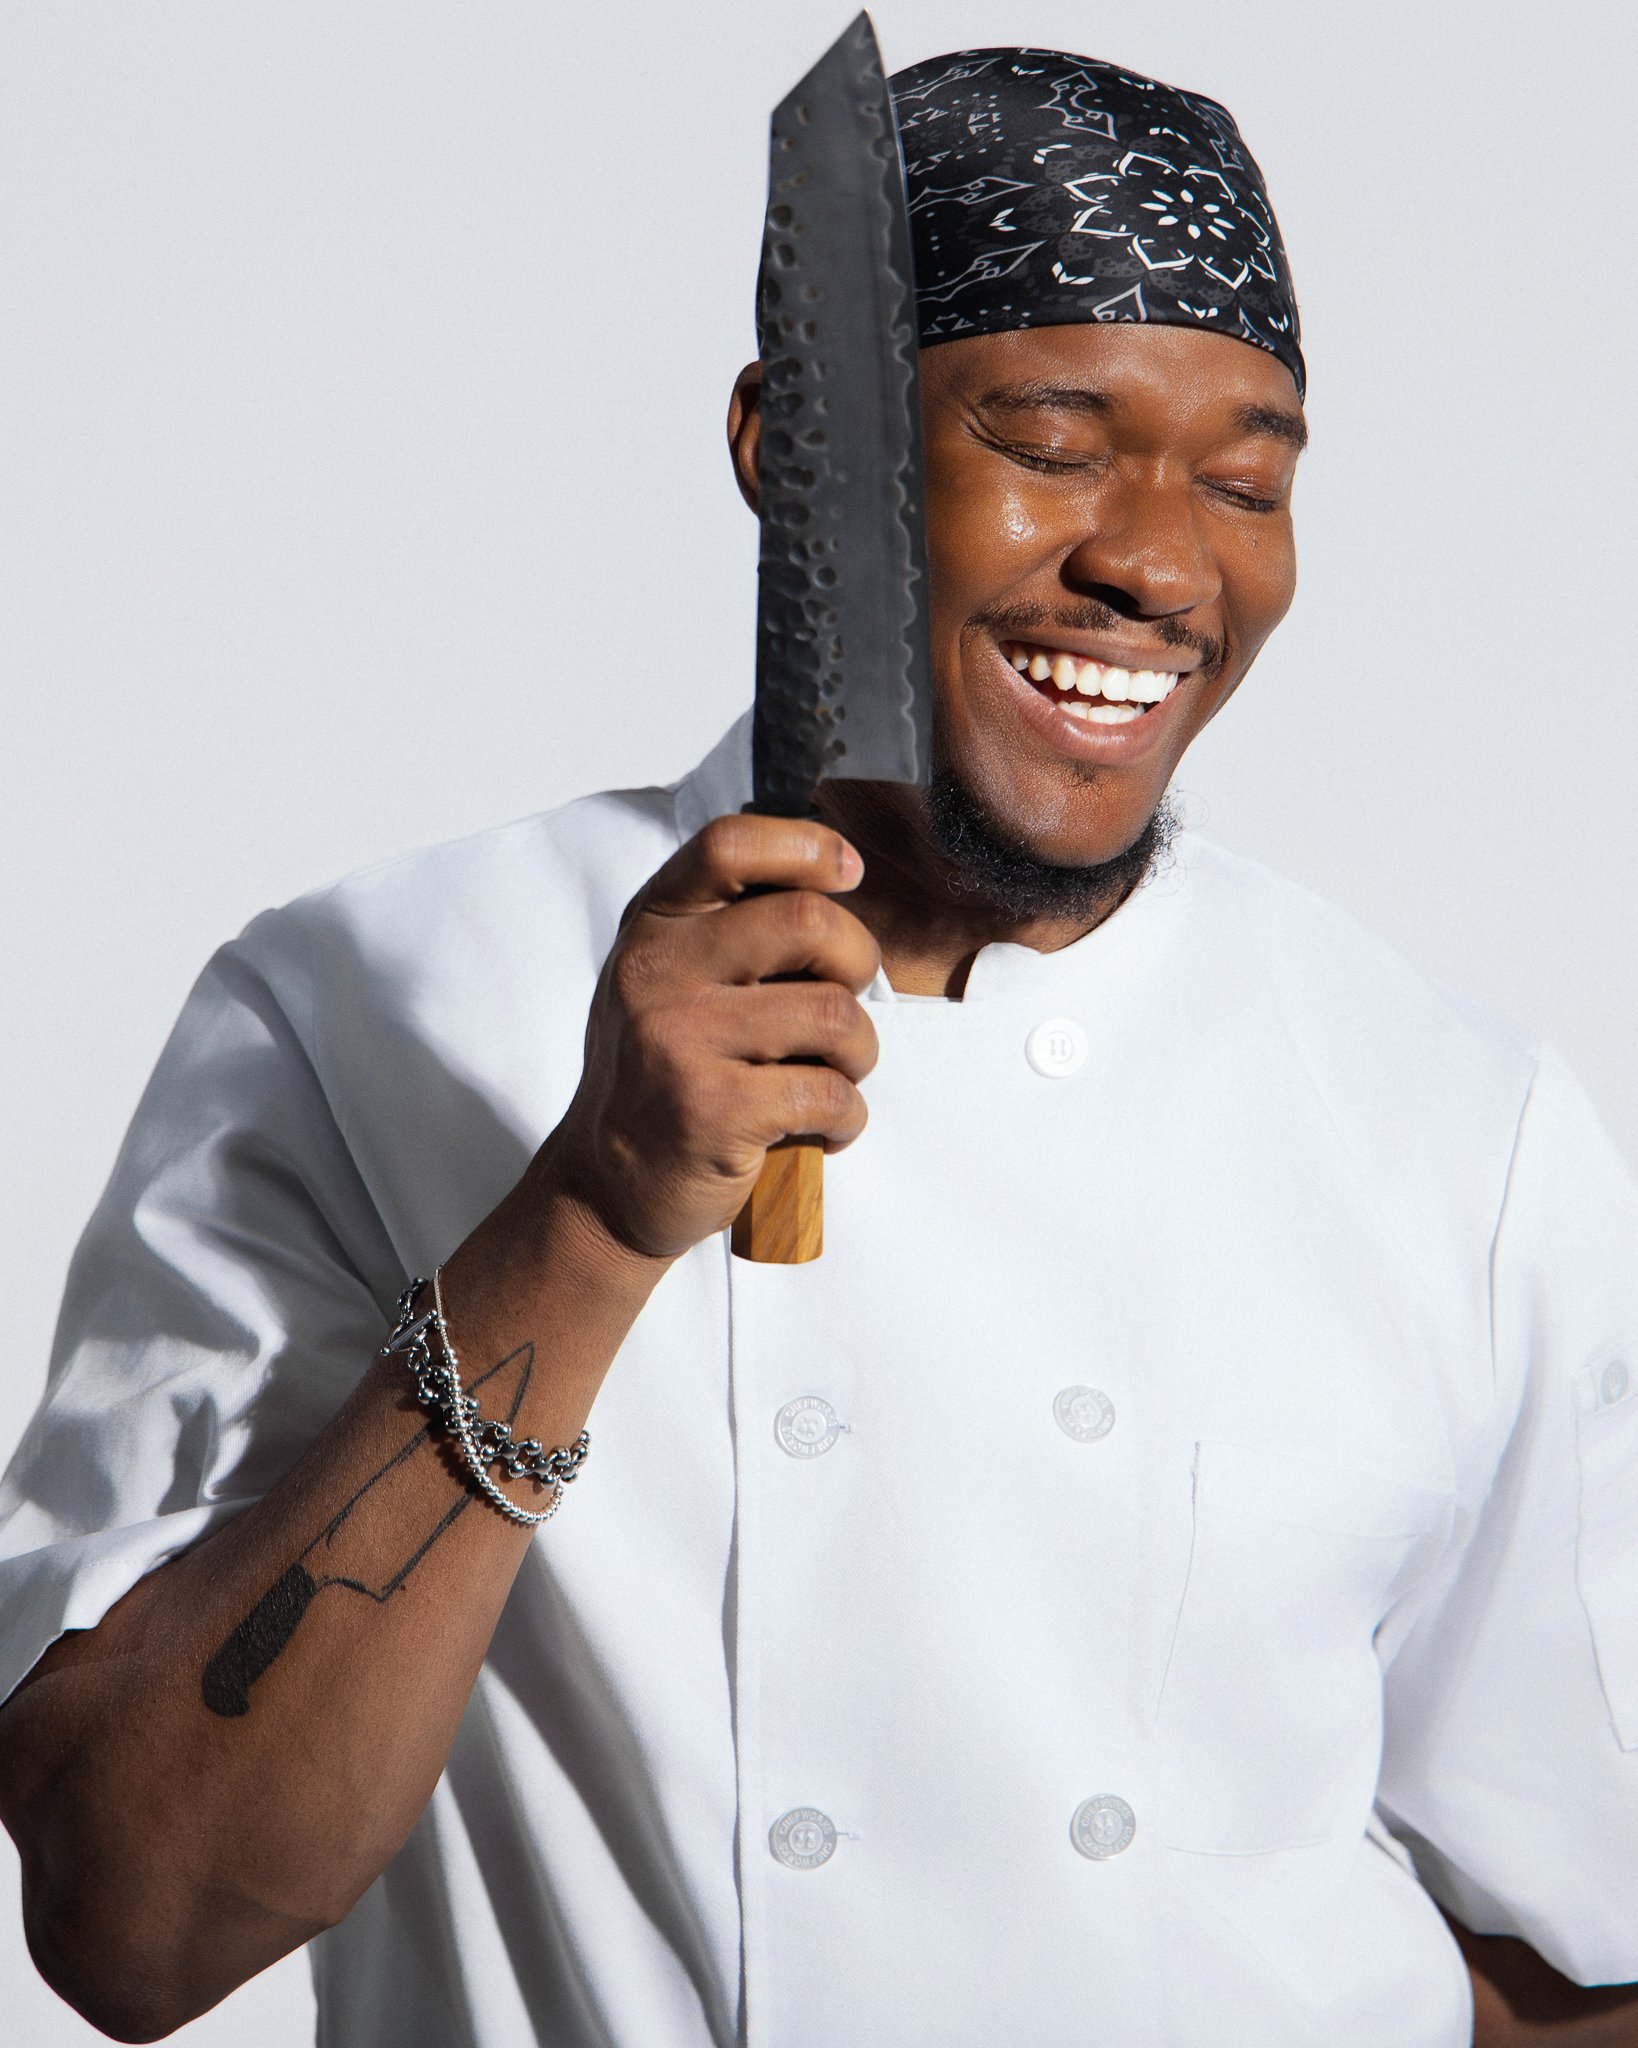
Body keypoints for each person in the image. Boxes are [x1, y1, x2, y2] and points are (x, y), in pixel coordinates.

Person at [1, 45, 1635, 2048]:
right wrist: (589, 1222)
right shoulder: (360, 1005)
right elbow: (132, 1917)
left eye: (1249, 479)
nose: (1161, 559)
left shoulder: (1454, 1126)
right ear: (794, 446)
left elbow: (1557, 1960)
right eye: (1054, 437)